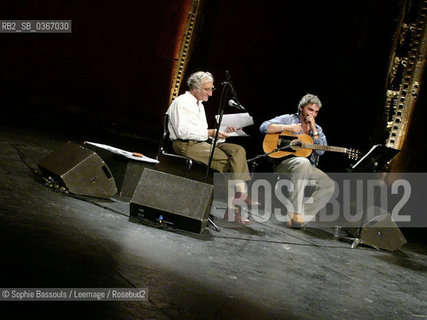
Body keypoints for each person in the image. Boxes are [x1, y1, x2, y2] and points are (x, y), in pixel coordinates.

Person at [167, 71, 259, 225]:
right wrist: (209, 132)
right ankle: (235, 206)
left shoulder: (199, 105)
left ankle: (238, 200)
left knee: (238, 151)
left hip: (201, 142)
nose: (210, 93)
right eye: (207, 89)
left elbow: (200, 133)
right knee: (232, 164)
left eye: (212, 89)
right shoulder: (182, 102)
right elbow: (183, 132)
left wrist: (219, 133)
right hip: (185, 144)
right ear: (195, 88)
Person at [259, 93, 335, 227]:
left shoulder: (317, 129)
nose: (313, 114)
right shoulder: (288, 119)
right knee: (303, 162)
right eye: (310, 110)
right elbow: (264, 127)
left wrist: (314, 130)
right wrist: (287, 128)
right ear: (301, 108)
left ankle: (299, 218)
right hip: (284, 163)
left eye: (316, 112)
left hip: (306, 167)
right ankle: (295, 211)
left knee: (328, 184)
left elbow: (320, 151)